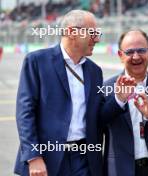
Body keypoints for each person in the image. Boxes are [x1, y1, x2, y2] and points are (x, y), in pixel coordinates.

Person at [14, 10, 135, 176]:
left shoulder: (94, 71)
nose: (97, 39)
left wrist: (119, 99)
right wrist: (33, 156)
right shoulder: (37, 62)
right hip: (47, 157)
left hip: (84, 159)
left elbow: (98, 117)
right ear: (72, 32)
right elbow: (25, 112)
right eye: (93, 33)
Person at [103, 30, 148, 176]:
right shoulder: (106, 88)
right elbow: (97, 123)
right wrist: (119, 101)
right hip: (120, 170)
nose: (136, 56)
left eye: (141, 50)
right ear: (120, 55)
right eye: (130, 52)